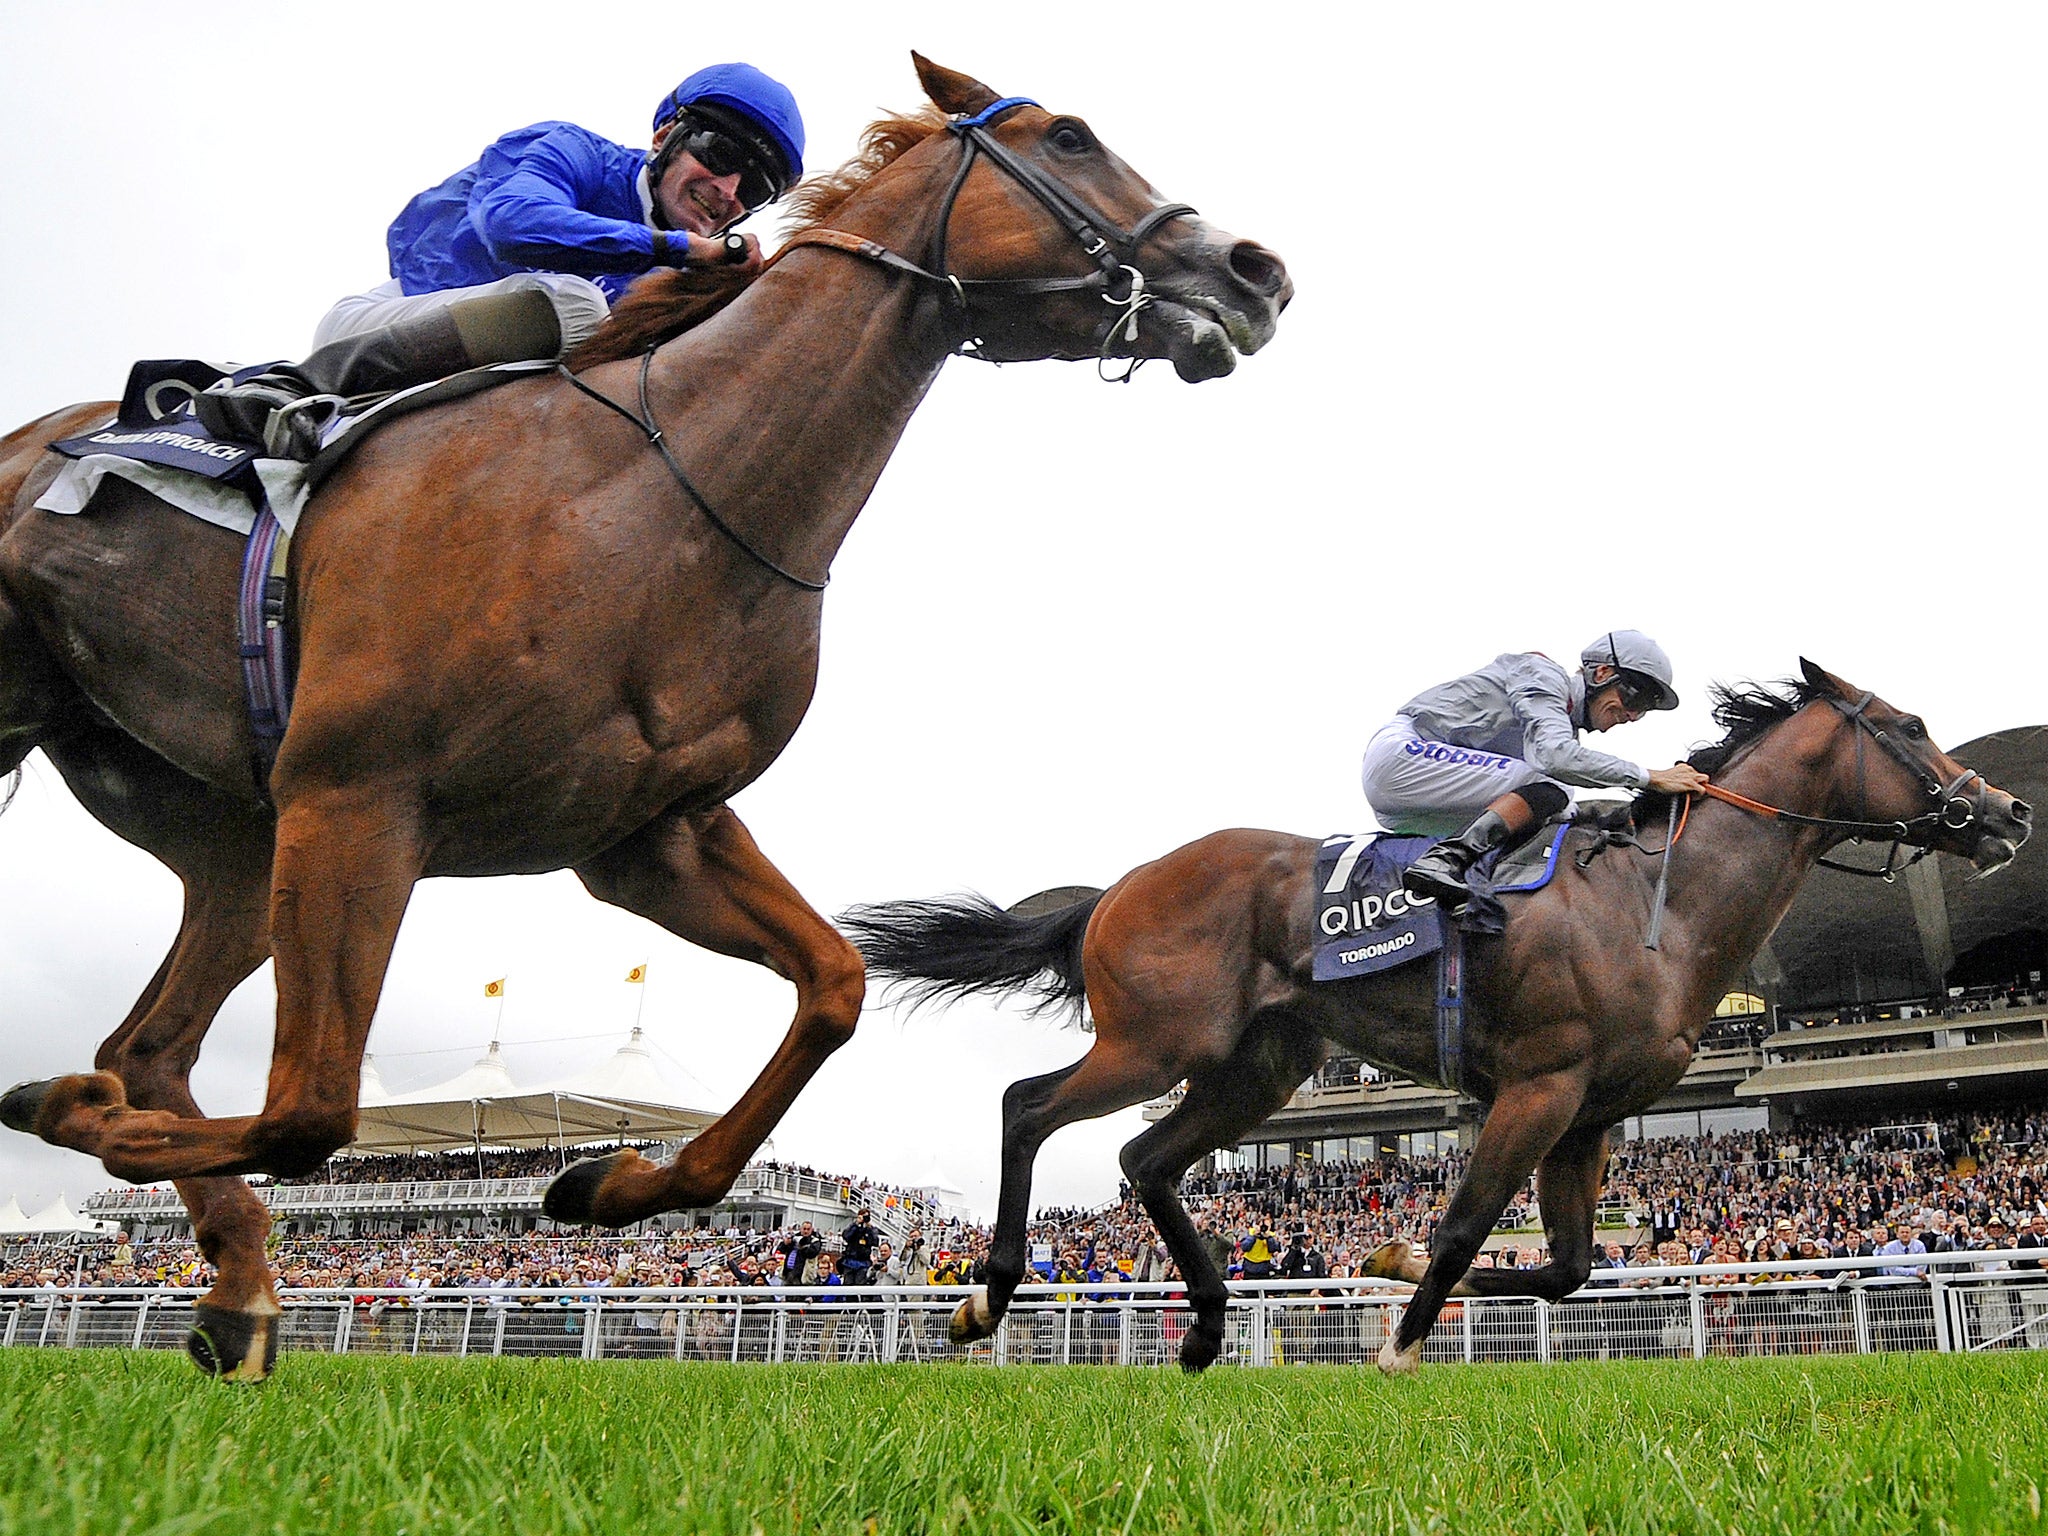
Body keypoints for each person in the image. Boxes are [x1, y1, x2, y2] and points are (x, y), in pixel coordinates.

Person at [196, 62, 805, 458]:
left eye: (754, 187)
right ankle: (292, 388)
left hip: (482, 402)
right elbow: (512, 223)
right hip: (371, 329)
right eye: (719, 152)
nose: (728, 189)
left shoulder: (687, 274)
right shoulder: (571, 150)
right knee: (575, 303)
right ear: (664, 134)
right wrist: (675, 249)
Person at [1361, 631, 1709, 911]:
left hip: (1410, 807)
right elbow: (1555, 756)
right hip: (1402, 756)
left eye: (1645, 709)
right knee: (1550, 786)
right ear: (1602, 673)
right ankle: (1443, 861)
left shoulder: (1561, 723)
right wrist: (1651, 777)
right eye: (1636, 698)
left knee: (1557, 809)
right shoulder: (1545, 675)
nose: (1633, 715)